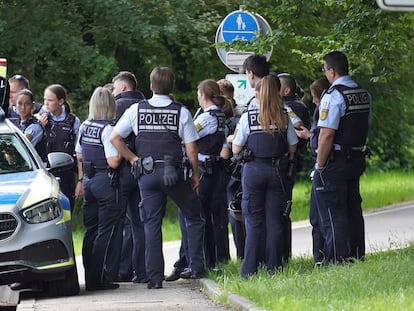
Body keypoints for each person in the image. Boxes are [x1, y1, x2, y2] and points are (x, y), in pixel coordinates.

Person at [110, 66, 205, 289]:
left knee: (151, 224)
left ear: (151, 86)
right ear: (171, 87)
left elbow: (115, 138)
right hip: (174, 173)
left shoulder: (136, 110)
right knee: (194, 216)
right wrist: (195, 174)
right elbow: (191, 149)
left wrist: (133, 159)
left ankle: (154, 279)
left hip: (147, 173)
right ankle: (196, 267)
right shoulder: (181, 111)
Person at [232, 76, 298, 277]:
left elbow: (236, 148)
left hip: (253, 171)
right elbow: (292, 146)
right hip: (277, 171)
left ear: (259, 93)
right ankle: (273, 269)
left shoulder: (248, 117)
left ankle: (249, 270)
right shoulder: (284, 116)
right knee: (275, 221)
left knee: (253, 221)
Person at [313, 51, 371, 264]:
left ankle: (337, 260)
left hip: (336, 160)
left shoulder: (333, 95)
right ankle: (357, 256)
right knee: (353, 208)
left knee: (333, 211)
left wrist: (320, 165)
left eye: (325, 70)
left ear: (332, 71)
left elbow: (326, 134)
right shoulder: (363, 93)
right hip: (356, 157)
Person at [75, 86, 122, 291]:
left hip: (88, 180)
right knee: (105, 232)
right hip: (104, 180)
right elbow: (113, 162)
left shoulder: (85, 125)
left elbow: (78, 154)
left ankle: (89, 276)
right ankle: (99, 278)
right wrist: (122, 153)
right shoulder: (108, 129)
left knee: (90, 231)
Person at [111, 71, 147, 284]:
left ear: (123, 87)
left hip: (123, 167)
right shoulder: (146, 104)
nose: (113, 92)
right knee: (140, 222)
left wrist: (128, 158)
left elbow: (112, 137)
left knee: (116, 221)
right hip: (145, 169)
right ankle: (140, 270)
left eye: (115, 88)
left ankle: (117, 270)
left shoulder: (117, 105)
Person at [295, 77, 331, 264]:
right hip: (327, 165)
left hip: (322, 166)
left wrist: (309, 136)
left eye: (315, 98)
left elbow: (322, 137)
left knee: (318, 216)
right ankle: (324, 255)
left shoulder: (324, 108)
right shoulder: (324, 106)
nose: (314, 102)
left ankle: (322, 256)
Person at [38, 84, 81, 212]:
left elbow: (80, 152)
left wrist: (80, 180)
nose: (46, 103)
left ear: (61, 101)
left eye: (50, 100)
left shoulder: (73, 121)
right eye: (45, 99)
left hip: (67, 174)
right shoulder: (39, 119)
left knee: (67, 211)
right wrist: (40, 126)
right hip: (45, 173)